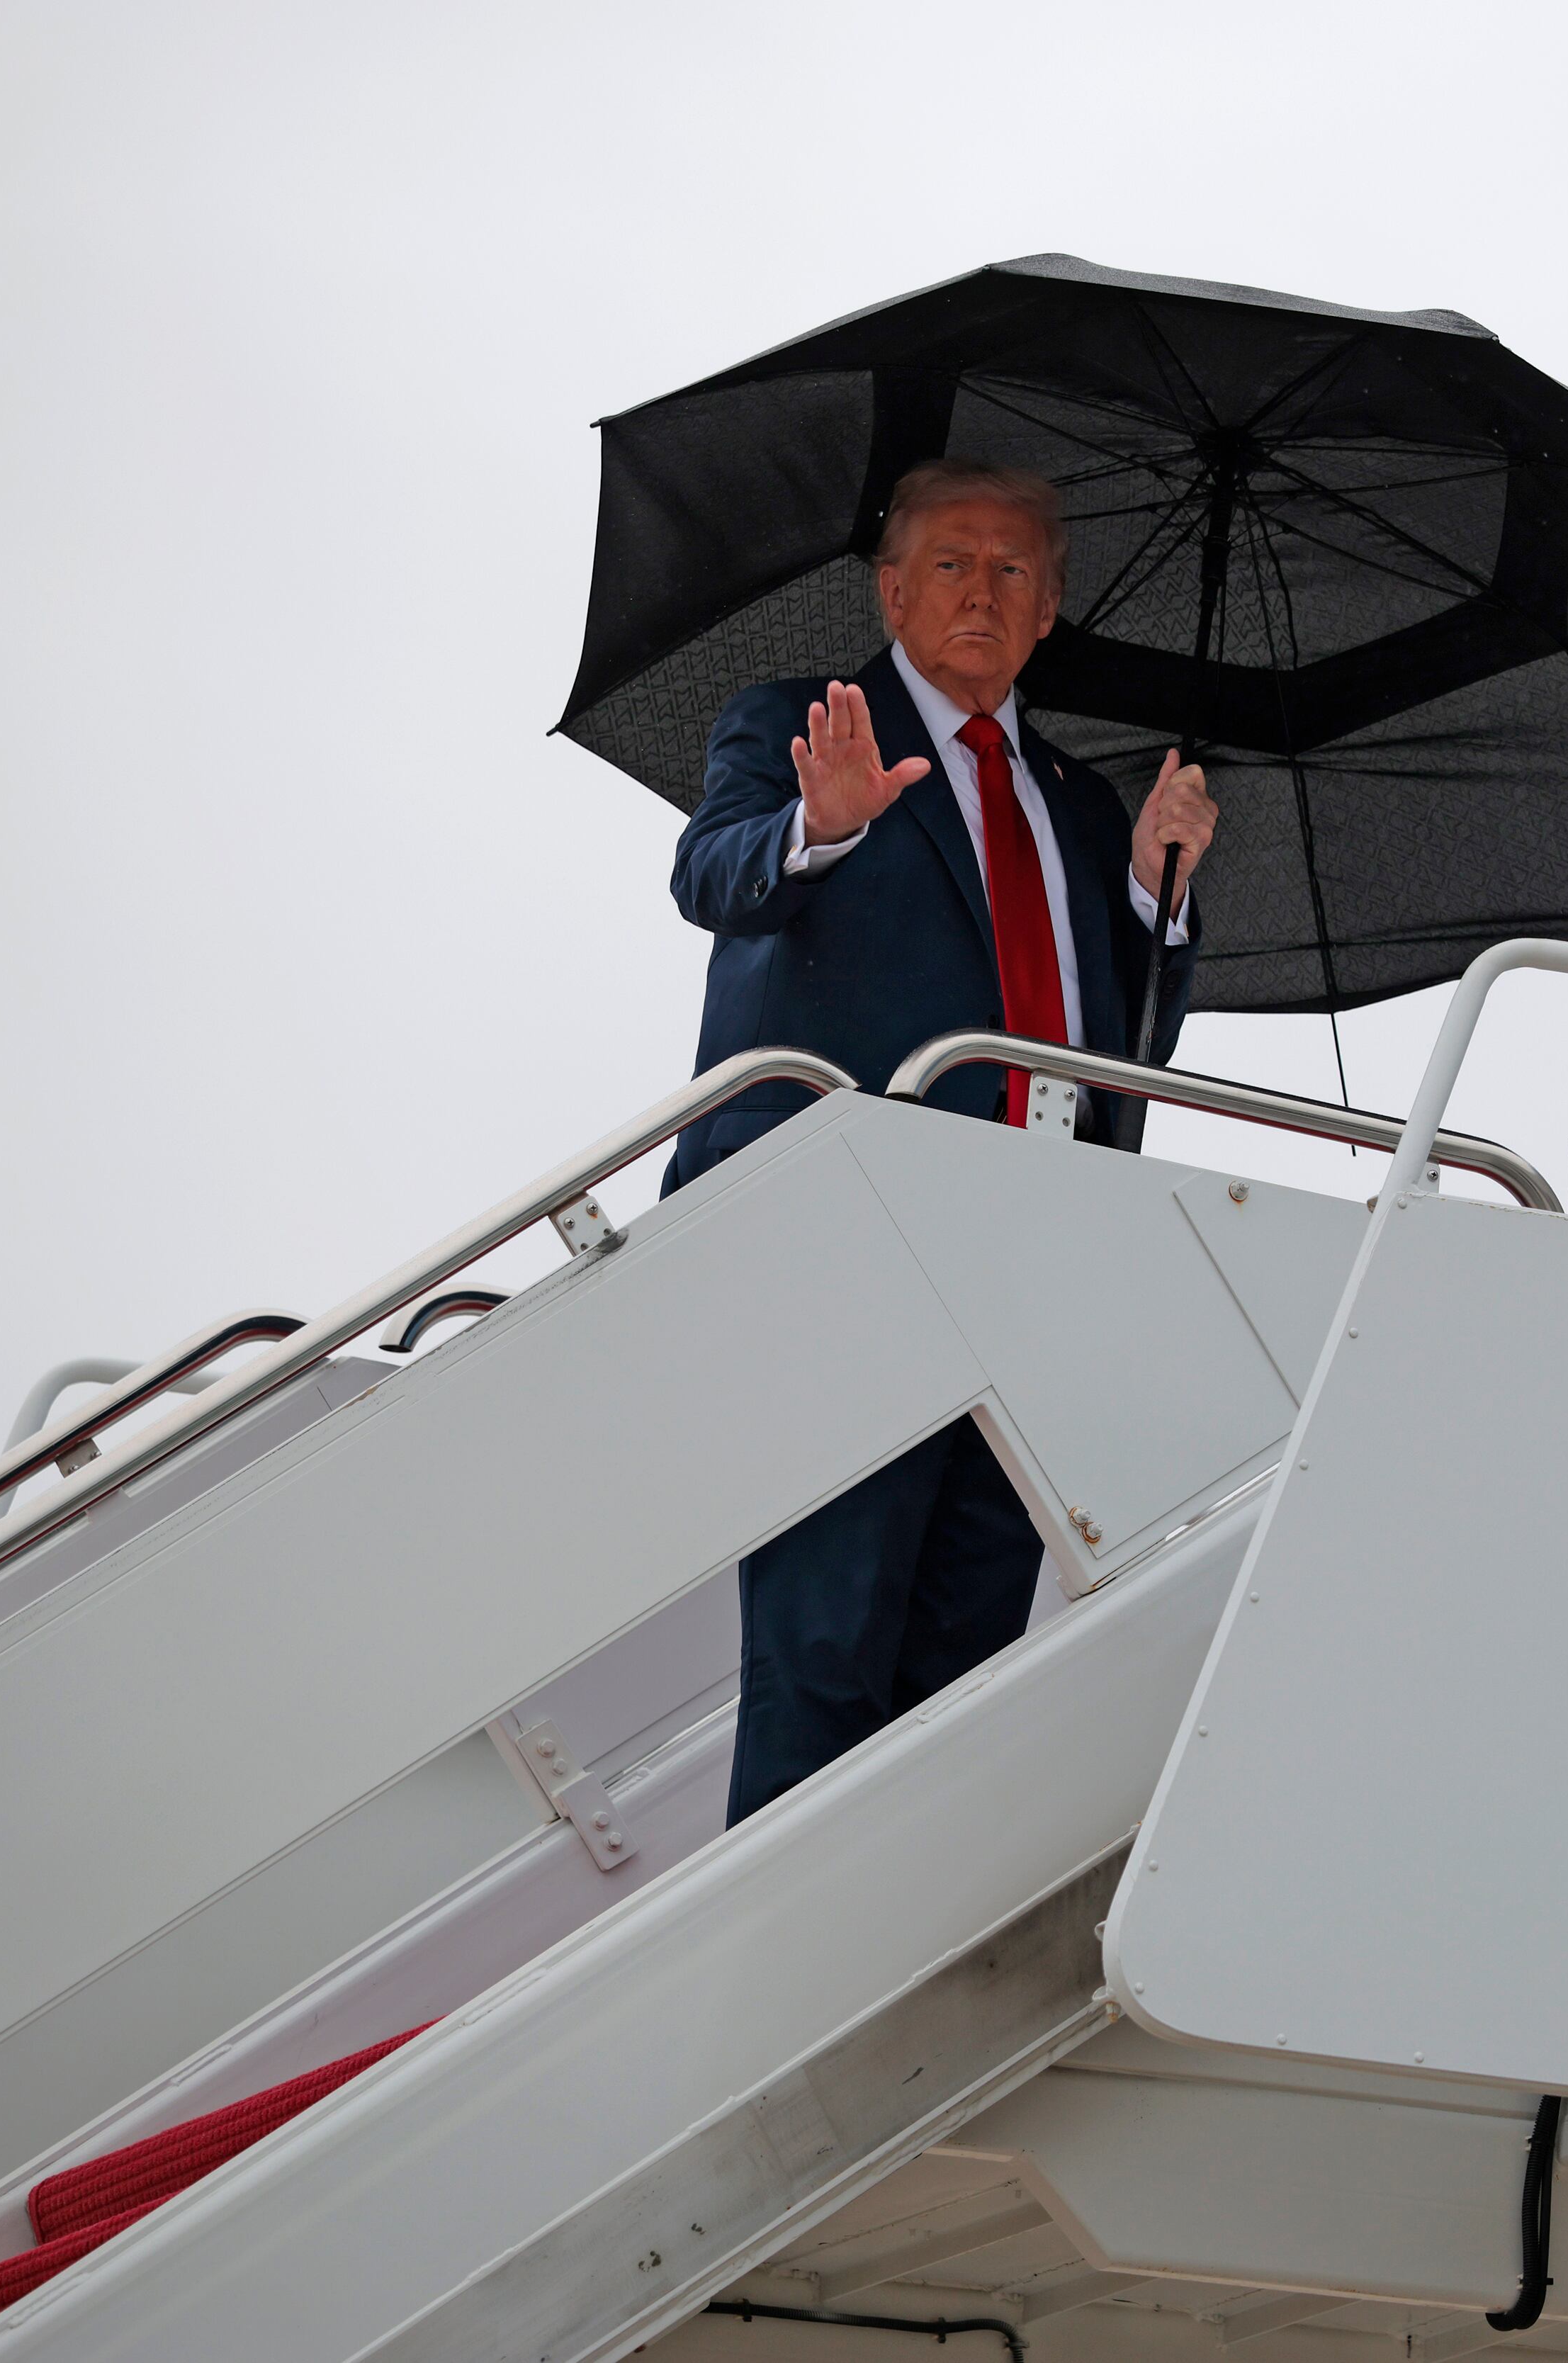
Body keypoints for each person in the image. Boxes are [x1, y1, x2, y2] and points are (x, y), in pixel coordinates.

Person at [661, 457, 1219, 1825]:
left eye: (1015, 568)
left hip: (1033, 1257)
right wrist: (823, 822)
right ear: (892, 589)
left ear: (1050, 609)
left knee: (968, 1652)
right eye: (954, 562)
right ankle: (780, 1969)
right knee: (826, 1641)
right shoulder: (791, 721)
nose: (984, 588)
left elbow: (1120, 1042)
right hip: (849, 1235)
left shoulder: (1087, 804)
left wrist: (1158, 894)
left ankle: (884, 1961)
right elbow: (708, 879)